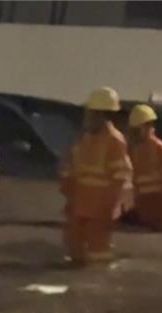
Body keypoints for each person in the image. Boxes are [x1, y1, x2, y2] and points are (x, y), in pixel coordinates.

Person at [59, 86, 133, 265]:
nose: (86, 118)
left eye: (90, 113)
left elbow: (120, 177)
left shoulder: (114, 141)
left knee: (98, 251)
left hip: (100, 209)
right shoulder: (87, 139)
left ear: (101, 115)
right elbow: (75, 170)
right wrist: (69, 195)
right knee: (73, 246)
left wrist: (109, 208)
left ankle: (98, 284)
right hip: (82, 206)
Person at [125, 104, 162, 232]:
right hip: (144, 216)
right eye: (132, 131)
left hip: (160, 217)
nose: (133, 135)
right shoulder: (134, 150)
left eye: (137, 131)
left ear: (148, 127)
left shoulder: (160, 150)